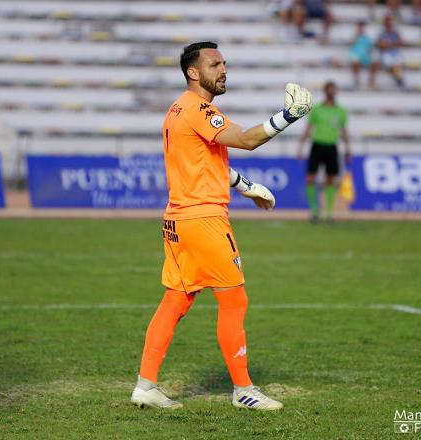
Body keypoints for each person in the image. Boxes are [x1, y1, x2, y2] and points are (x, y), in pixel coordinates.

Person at [130, 41, 312, 411]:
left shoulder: (178, 110)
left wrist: (247, 188)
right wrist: (289, 115)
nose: (223, 69)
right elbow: (246, 140)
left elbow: (206, 165)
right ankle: (243, 389)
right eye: (215, 64)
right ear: (193, 73)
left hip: (178, 220)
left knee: (176, 300)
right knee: (234, 300)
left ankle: (145, 385)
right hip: (204, 221)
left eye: (224, 62)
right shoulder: (199, 110)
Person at [297, 81, 350, 223]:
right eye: (329, 90)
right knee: (310, 178)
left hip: (332, 146)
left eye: (333, 90)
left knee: (330, 180)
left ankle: (328, 214)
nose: (331, 92)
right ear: (325, 91)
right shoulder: (317, 109)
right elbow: (309, 128)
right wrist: (301, 145)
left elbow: (344, 131)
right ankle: (315, 212)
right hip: (317, 145)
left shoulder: (340, 111)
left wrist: (348, 149)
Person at [376, 14, 405, 89]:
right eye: (386, 21)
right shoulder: (381, 33)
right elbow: (380, 45)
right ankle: (399, 80)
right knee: (392, 64)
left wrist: (389, 44)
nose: (388, 23)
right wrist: (391, 44)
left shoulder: (395, 32)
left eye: (389, 21)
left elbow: (400, 42)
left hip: (395, 54)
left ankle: (399, 79)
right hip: (386, 54)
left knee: (396, 64)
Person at [348, 20, 379, 88]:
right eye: (359, 27)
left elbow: (370, 49)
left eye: (362, 27)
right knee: (355, 62)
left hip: (365, 58)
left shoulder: (367, 38)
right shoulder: (354, 37)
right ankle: (357, 80)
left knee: (376, 63)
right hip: (356, 57)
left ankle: (371, 80)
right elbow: (350, 48)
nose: (361, 29)